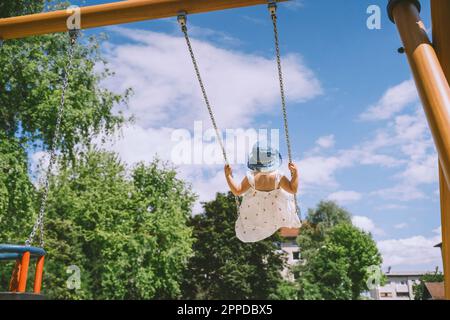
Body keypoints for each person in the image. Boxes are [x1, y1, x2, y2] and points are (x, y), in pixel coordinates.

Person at [224, 142, 301, 243]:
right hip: (274, 211)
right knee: (271, 221)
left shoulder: (251, 177)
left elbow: (237, 191)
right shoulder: (278, 176)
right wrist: (295, 173)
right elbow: (293, 189)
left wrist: (228, 175)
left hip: (255, 211)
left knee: (255, 222)